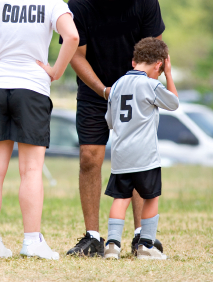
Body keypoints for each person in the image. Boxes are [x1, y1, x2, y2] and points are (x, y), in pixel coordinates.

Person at [0, 0, 79, 259]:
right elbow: (72, 36)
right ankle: (31, 241)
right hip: (32, 88)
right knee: (31, 170)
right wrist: (56, 71)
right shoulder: (51, 3)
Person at [63, 0, 166, 257]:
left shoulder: (145, 3)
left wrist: (144, 87)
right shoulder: (79, 5)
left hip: (137, 91)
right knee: (89, 156)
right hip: (95, 91)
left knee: (139, 159)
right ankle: (93, 238)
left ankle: (142, 237)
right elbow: (75, 54)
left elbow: (156, 51)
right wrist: (106, 91)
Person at [103, 38, 178, 259]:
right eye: (161, 70)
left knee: (121, 198)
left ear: (134, 61)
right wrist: (169, 76)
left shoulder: (116, 85)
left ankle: (112, 245)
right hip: (145, 155)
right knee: (150, 197)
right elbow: (173, 103)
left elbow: (109, 120)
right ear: (159, 65)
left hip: (120, 155)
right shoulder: (151, 84)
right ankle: (146, 246)